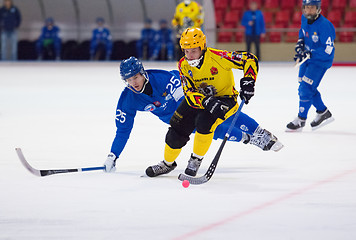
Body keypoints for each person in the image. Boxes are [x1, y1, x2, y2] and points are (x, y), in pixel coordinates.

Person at [103, 56, 283, 173]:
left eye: (135, 77)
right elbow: (123, 130)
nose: (133, 82)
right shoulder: (127, 100)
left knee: (224, 112)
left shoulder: (164, 79)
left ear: (143, 74)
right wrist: (113, 155)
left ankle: (260, 132)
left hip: (191, 101)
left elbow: (187, 93)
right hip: (179, 120)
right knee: (214, 128)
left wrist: (204, 93)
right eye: (128, 79)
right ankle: (250, 138)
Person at [144, 28, 283, 178]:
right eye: (186, 51)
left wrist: (249, 81)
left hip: (225, 99)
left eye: (194, 51)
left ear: (202, 46)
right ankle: (167, 163)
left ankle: (195, 160)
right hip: (200, 100)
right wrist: (206, 101)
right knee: (177, 126)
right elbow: (189, 91)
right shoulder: (183, 64)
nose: (189, 56)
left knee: (205, 122)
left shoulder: (219, 57)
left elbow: (249, 58)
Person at [286, 0, 335, 131]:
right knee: (303, 86)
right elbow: (302, 31)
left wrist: (310, 53)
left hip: (320, 61)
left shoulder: (325, 25)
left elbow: (328, 49)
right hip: (307, 58)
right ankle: (323, 112)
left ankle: (301, 119)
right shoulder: (304, 18)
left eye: (312, 8)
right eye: (306, 8)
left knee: (305, 88)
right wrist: (300, 42)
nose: (308, 11)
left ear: (318, 9)